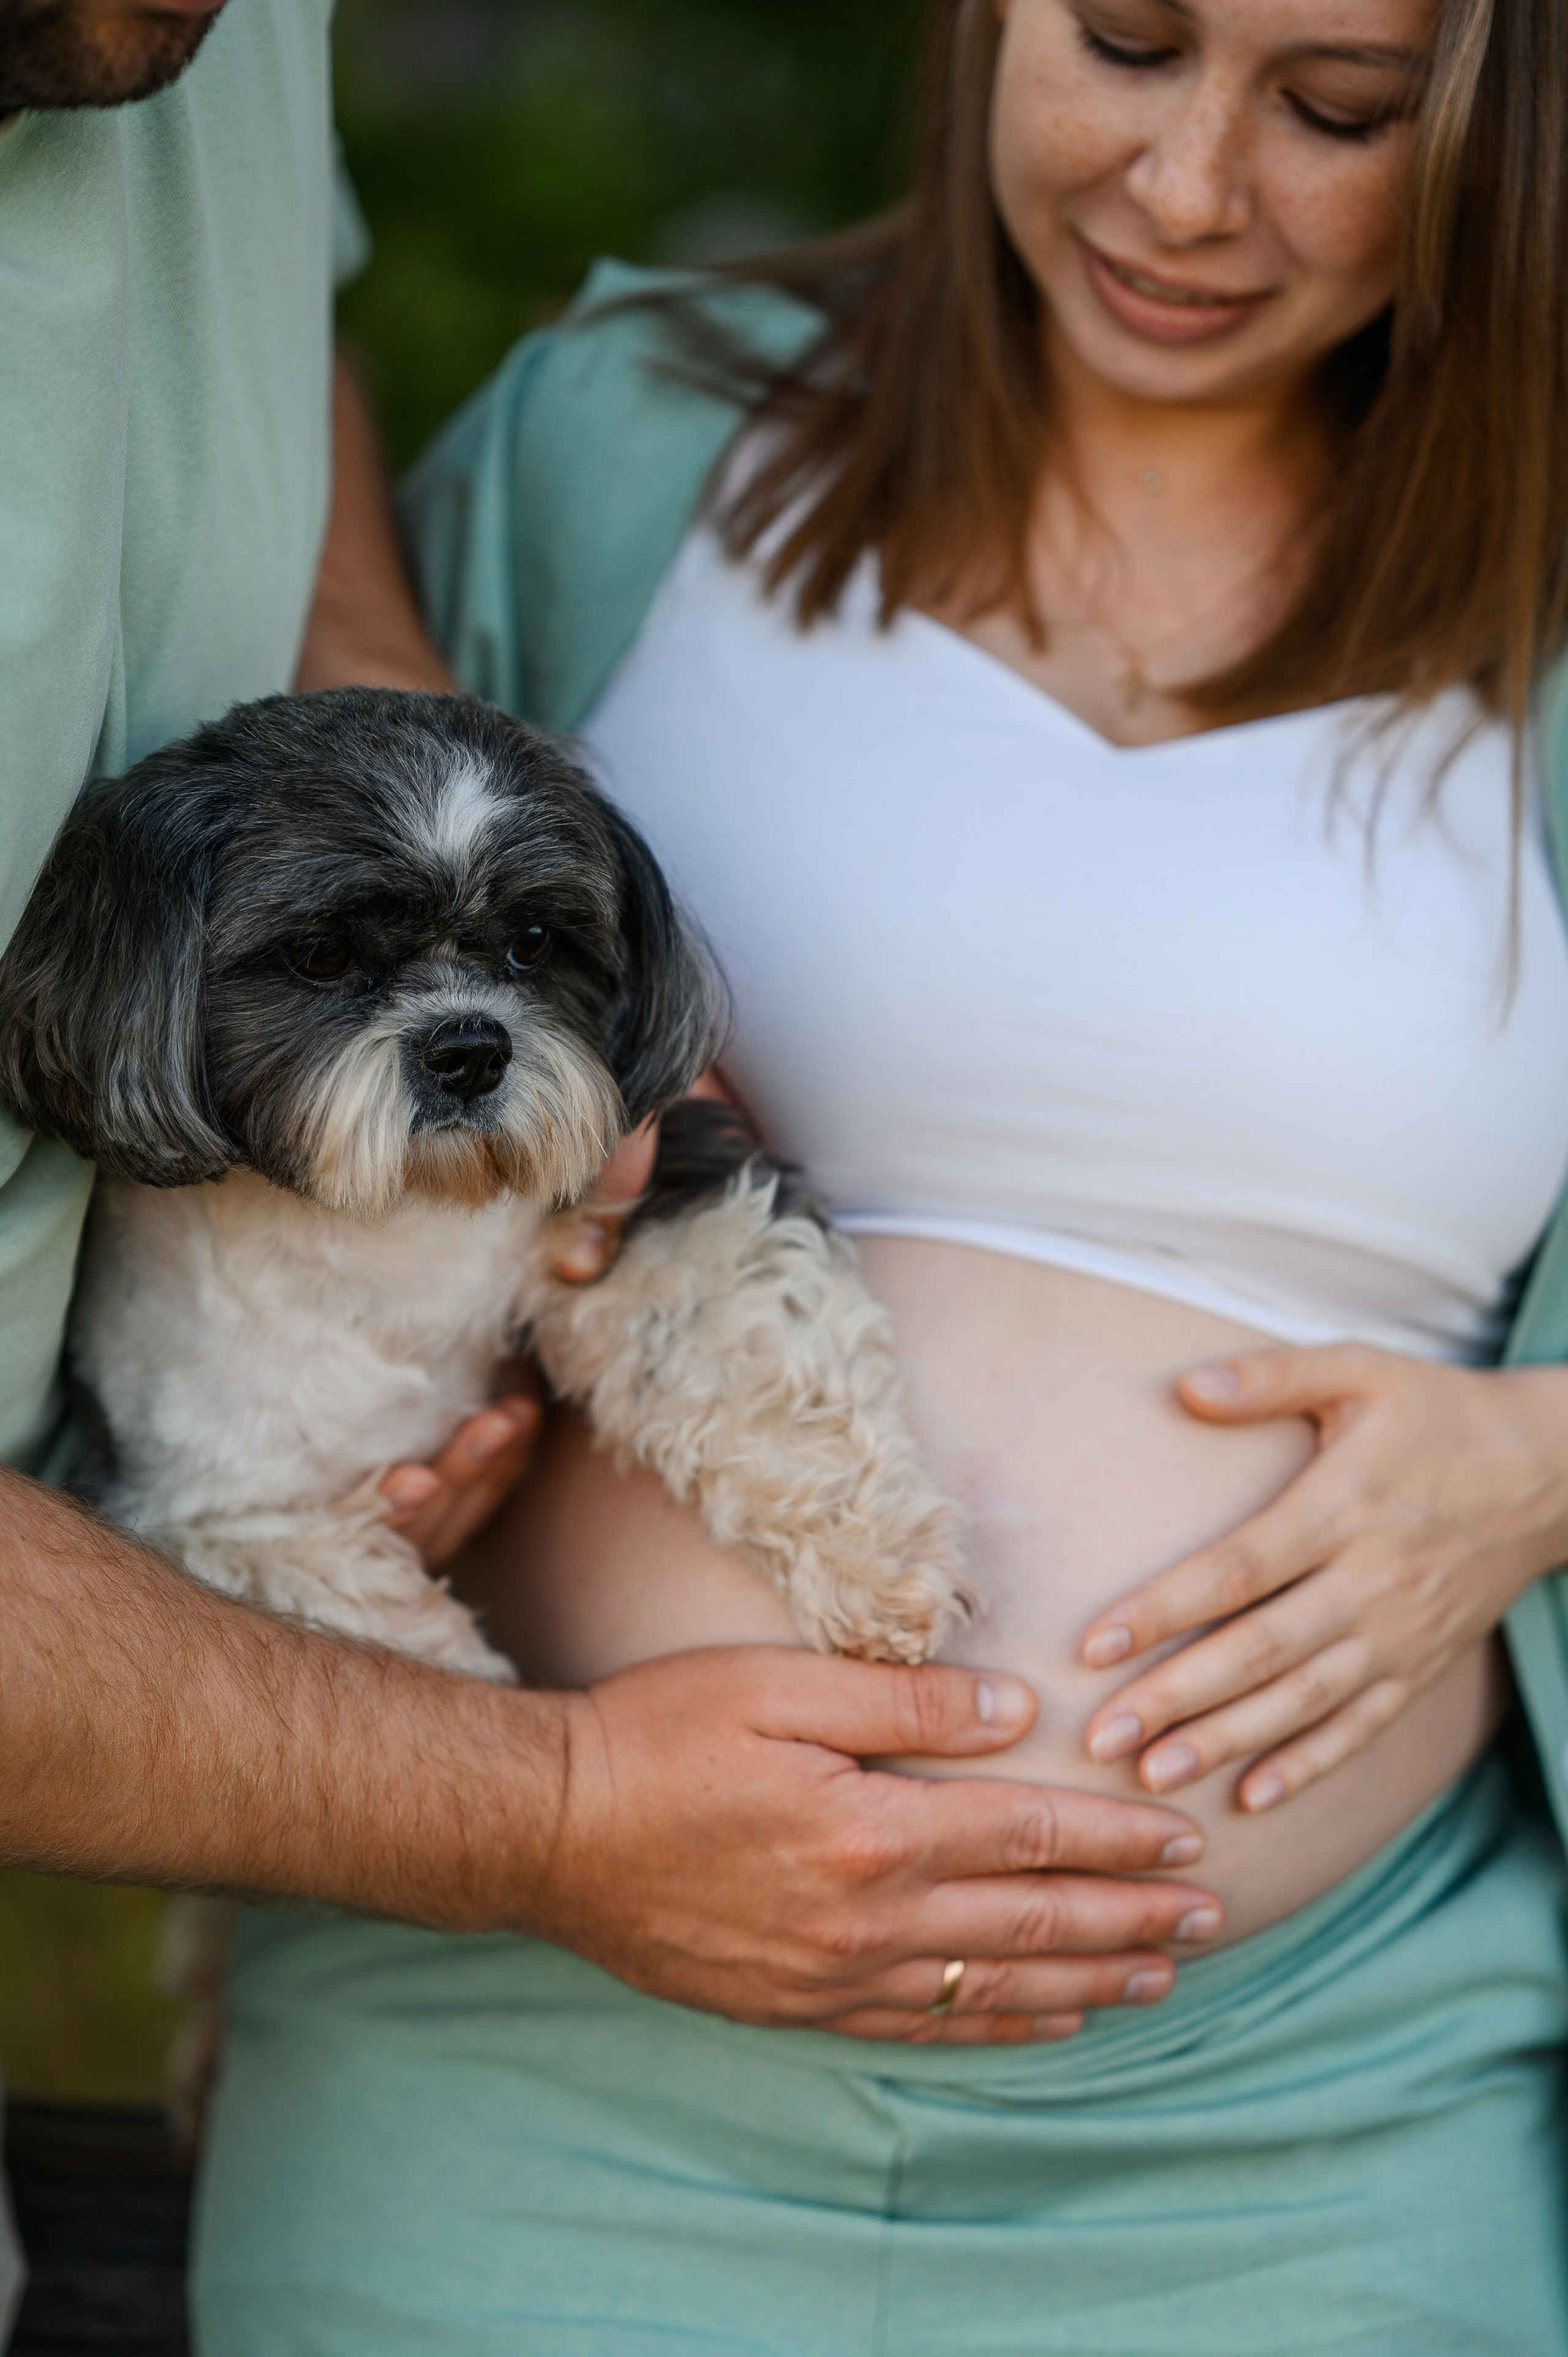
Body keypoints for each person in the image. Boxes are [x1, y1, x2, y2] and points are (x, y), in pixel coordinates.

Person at [190, 0, 1568, 2347]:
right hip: (523, 2039)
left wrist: (1549, 1456)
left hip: (1305, 2111)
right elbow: (263, 1023)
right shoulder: (624, 442)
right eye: (1123, 45)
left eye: (1335, 110)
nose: (1187, 190)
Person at [0, 0, 1216, 2340]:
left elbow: (257, 319)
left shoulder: (209, 45)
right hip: (468, 2029)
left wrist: (370, 713)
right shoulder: (635, 414)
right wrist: (529, 1811)